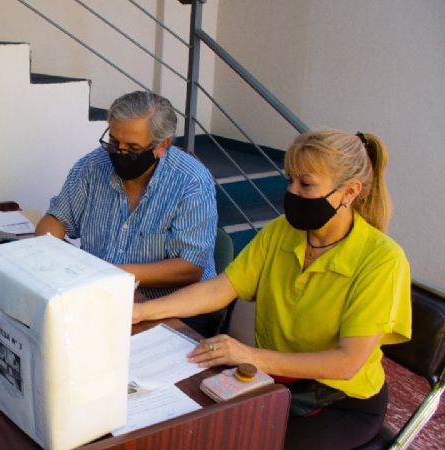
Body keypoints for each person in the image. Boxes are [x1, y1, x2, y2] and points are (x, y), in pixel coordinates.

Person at [132, 129, 411, 449]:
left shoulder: (383, 260)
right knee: (198, 429)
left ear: (349, 192)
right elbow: (221, 289)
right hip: (274, 381)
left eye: (305, 184)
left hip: (340, 400)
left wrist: (250, 355)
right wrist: (141, 311)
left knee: (247, 441)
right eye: (289, 180)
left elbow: (346, 363)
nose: (291, 192)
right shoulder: (282, 232)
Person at [35, 91, 220, 336]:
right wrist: (45, 257)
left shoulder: (191, 181)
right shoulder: (93, 166)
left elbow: (189, 267)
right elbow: (56, 219)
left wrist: (109, 274)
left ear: (162, 145)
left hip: (171, 309)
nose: (119, 153)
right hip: (99, 295)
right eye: (113, 143)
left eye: (132, 148)